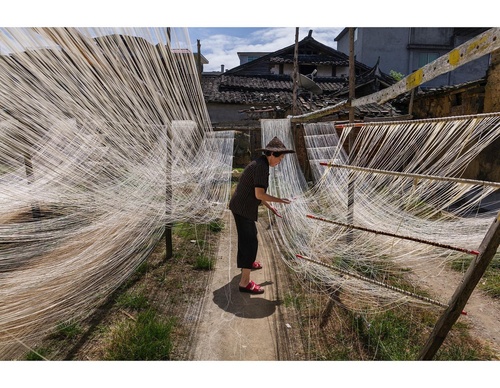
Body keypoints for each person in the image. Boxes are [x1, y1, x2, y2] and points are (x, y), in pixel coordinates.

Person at [229, 136, 295, 294]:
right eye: (280, 158)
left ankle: (248, 263)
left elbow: (258, 192)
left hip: (241, 206)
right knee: (250, 242)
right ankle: (244, 283)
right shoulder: (262, 167)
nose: (280, 162)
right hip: (243, 208)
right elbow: (259, 194)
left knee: (248, 238)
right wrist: (280, 200)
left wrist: (270, 207)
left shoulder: (260, 163)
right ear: (272, 154)